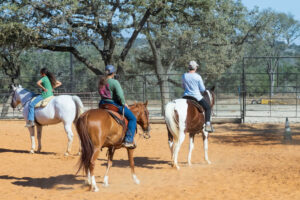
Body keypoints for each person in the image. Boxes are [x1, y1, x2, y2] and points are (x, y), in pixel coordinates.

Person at [98, 65, 137, 148]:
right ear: (113, 73)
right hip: (112, 105)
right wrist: (123, 103)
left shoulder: (101, 81)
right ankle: (129, 140)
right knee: (132, 118)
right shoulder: (114, 82)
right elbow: (120, 95)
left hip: (102, 104)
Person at [182, 60, 213, 132]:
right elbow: (202, 89)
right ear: (195, 68)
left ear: (189, 68)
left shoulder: (184, 75)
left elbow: (183, 86)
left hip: (185, 96)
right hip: (196, 97)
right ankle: (208, 125)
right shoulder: (198, 77)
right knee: (208, 108)